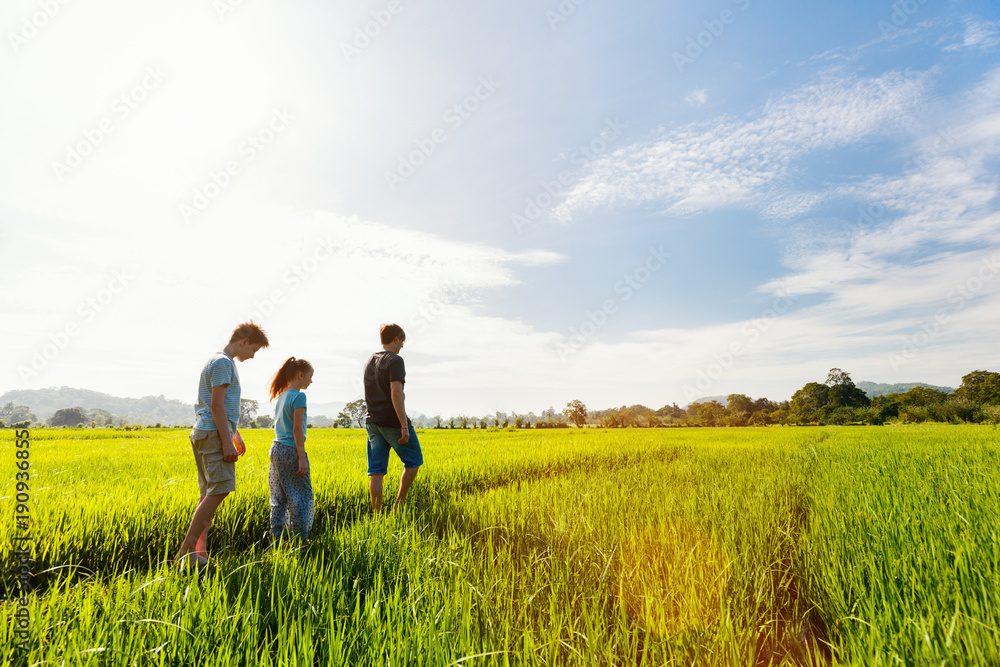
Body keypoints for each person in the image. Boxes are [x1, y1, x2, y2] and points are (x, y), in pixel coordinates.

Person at [174, 322, 269, 569]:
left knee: (208, 493)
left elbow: (219, 405)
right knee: (219, 490)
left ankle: (197, 554)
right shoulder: (223, 363)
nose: (253, 355)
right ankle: (185, 554)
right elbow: (216, 405)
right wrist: (226, 442)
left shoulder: (217, 361)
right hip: (212, 434)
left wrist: (234, 434)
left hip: (207, 432)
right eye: (254, 349)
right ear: (245, 340)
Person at [363, 323, 422, 512]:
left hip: (372, 421)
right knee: (414, 460)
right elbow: (396, 393)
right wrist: (404, 425)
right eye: (402, 341)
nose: (402, 345)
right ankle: (399, 504)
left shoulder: (369, 360)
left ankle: (377, 515)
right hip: (392, 421)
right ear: (396, 339)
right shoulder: (396, 360)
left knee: (376, 471)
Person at [267, 357, 315, 542]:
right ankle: (300, 540)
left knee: (279, 497)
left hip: (276, 449)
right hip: (290, 450)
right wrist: (301, 458)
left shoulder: (281, 396)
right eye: (310, 376)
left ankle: (278, 539)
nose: (311, 380)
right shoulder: (299, 396)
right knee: (302, 496)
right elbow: (297, 430)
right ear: (300, 375)